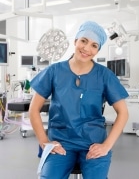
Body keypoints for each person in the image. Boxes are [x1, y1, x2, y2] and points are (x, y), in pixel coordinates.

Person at [29, 20, 129, 179]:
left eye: (94, 45)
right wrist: (44, 142)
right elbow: (33, 109)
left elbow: (123, 112)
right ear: (75, 41)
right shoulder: (54, 71)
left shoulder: (104, 75)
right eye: (84, 41)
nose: (87, 48)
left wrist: (106, 146)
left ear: (97, 50)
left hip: (92, 142)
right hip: (61, 142)